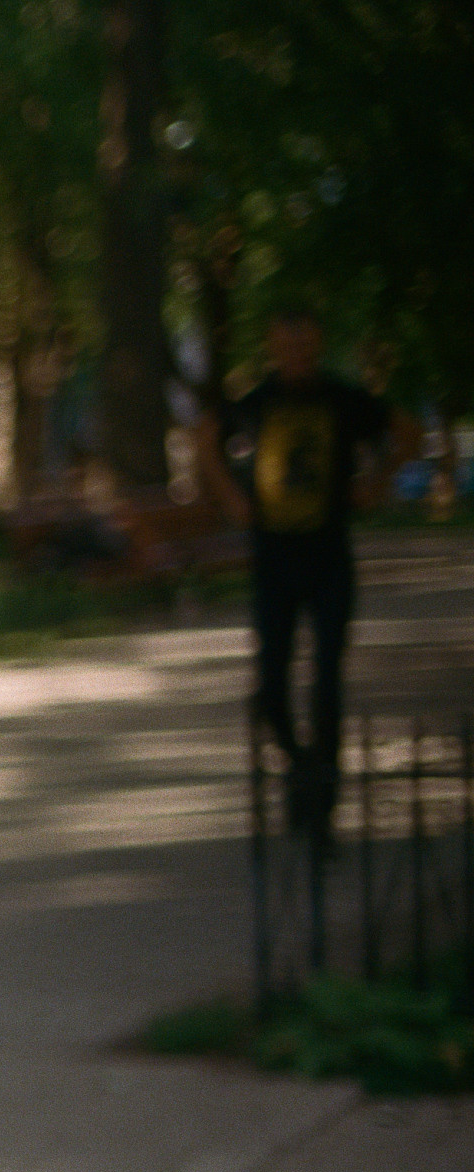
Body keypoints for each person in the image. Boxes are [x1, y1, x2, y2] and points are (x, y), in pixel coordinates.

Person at [197, 306, 418, 843]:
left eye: (306, 347)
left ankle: (322, 808)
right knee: (270, 684)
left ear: (317, 347)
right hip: (273, 560)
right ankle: (299, 769)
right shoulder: (259, 402)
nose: (296, 356)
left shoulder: (342, 400)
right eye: (287, 347)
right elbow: (205, 435)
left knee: (326, 682)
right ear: (273, 347)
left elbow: (408, 433)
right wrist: (230, 495)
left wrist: (378, 482)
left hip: (328, 559)